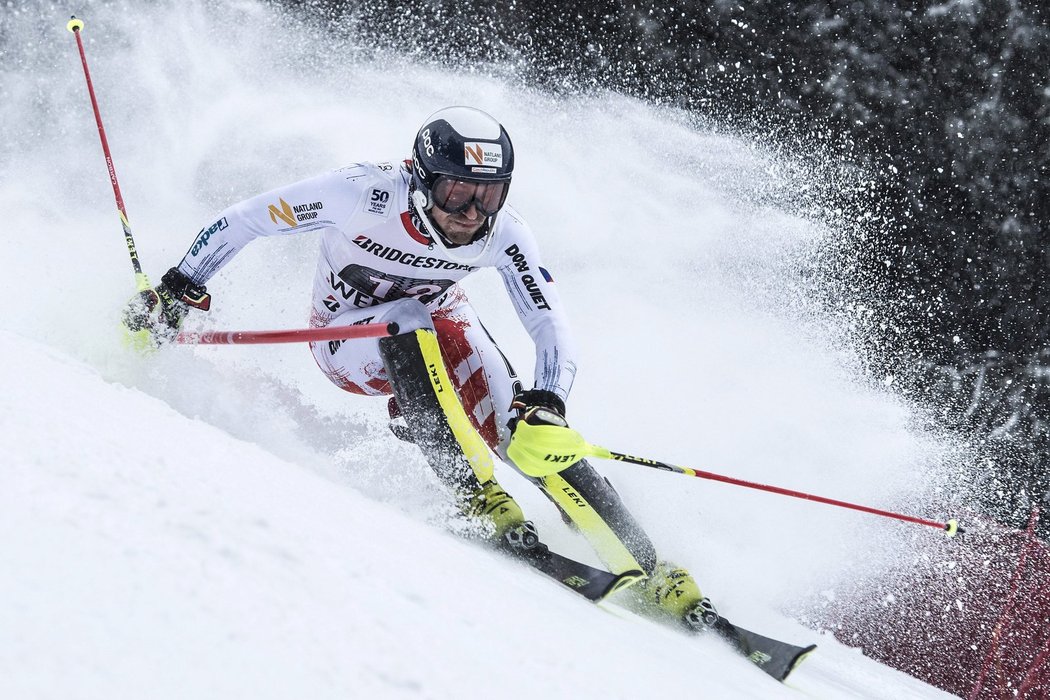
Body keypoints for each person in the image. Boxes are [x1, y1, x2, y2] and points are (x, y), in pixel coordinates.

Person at [124, 106, 716, 630]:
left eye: (490, 195)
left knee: (526, 428)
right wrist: (181, 285)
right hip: (346, 343)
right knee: (409, 316)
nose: (472, 212)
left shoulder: (504, 235)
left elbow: (549, 322)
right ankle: (472, 492)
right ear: (421, 177)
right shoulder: (360, 193)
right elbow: (247, 217)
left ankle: (644, 562)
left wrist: (550, 401)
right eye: (459, 192)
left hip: (437, 323)